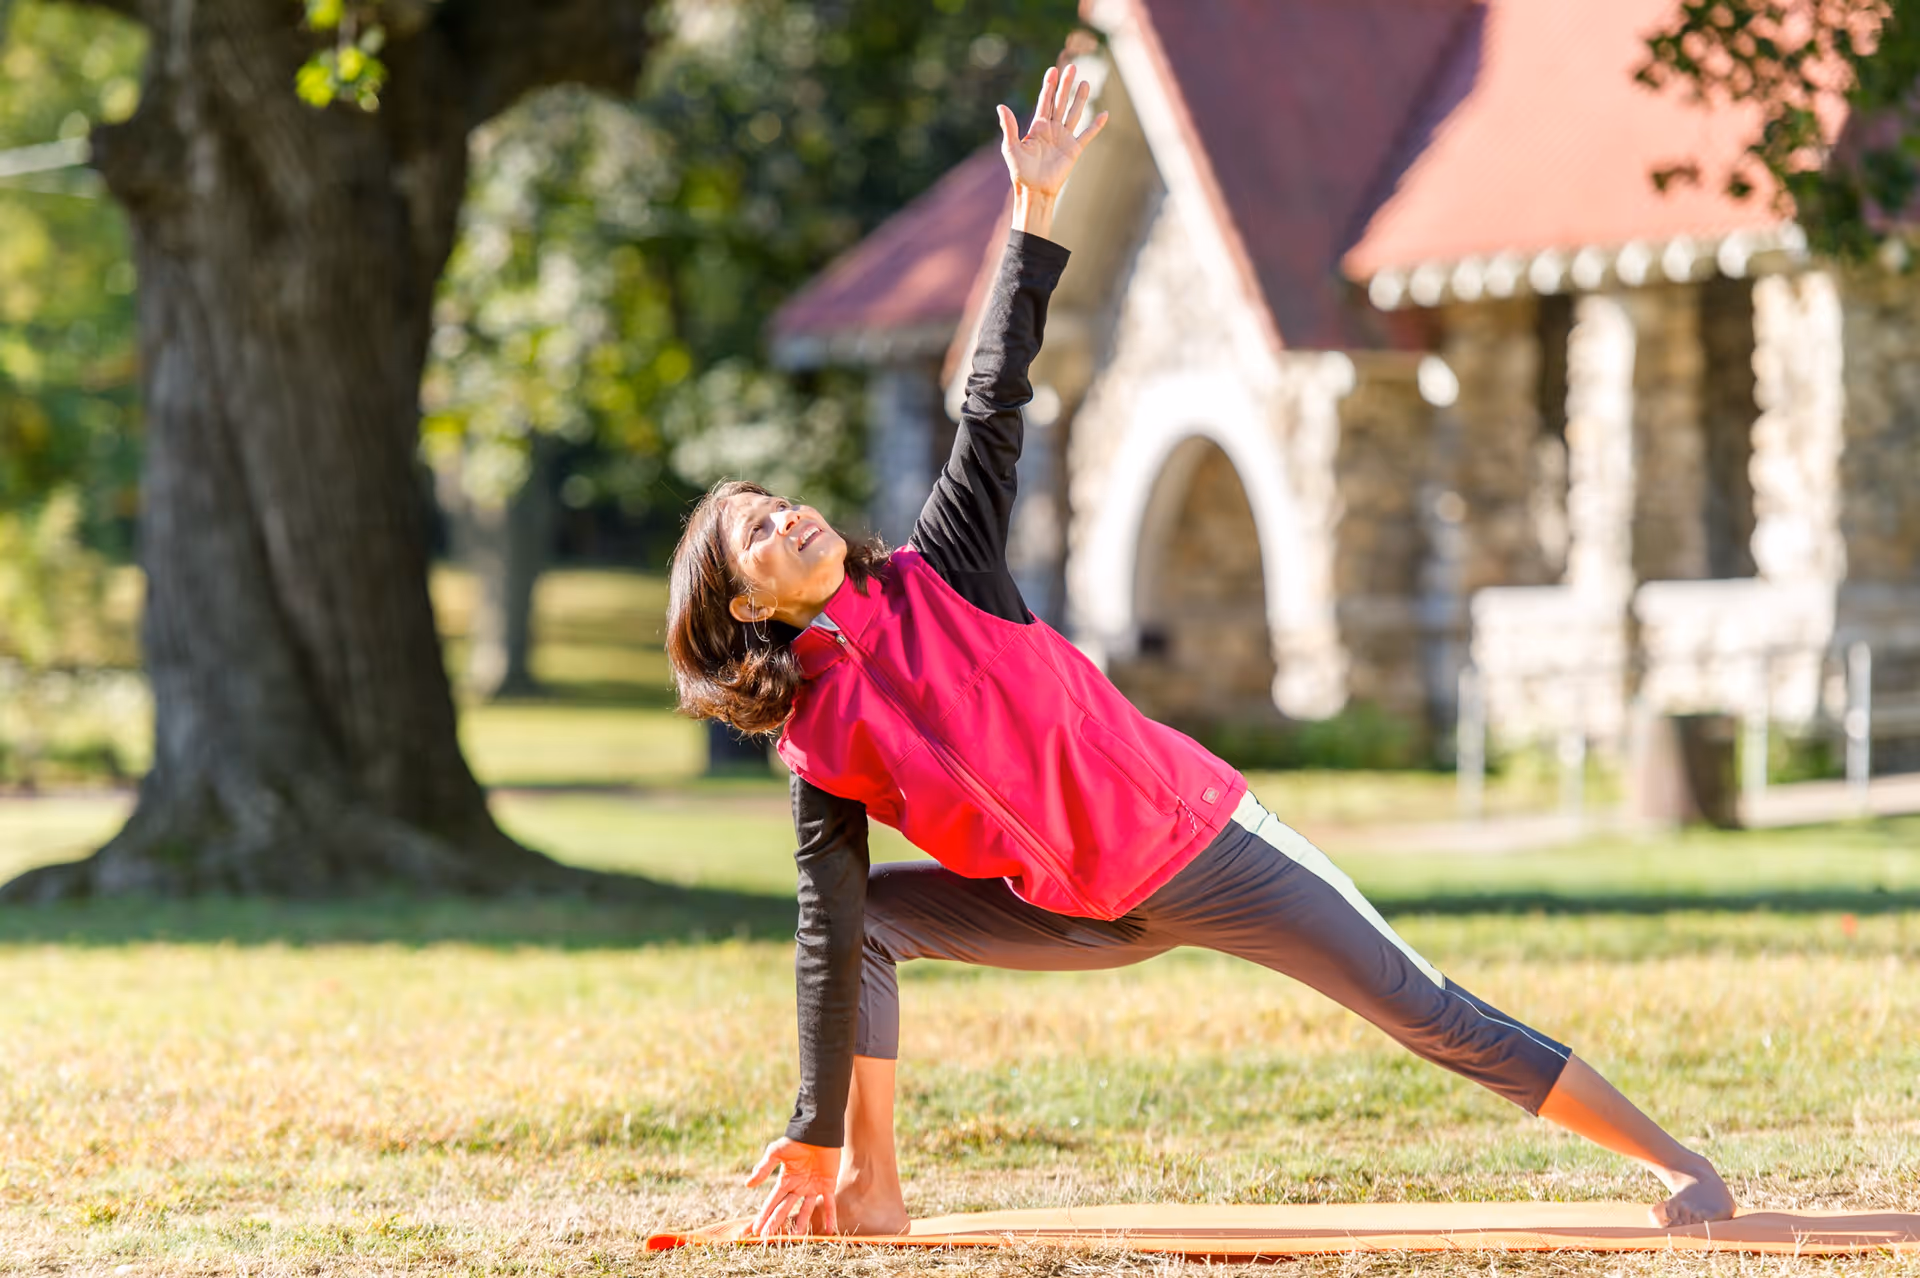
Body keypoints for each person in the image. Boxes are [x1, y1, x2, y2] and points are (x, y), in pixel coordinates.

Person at [664, 62, 1736, 1240]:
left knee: (1421, 1009)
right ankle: (868, 1188)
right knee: (865, 923)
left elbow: (992, 397)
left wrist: (1036, 208)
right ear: (749, 606)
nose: (786, 518)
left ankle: (1682, 1165)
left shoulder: (946, 568)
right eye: (753, 534)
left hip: (1201, 845)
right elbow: (828, 927)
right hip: (1074, 911)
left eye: (777, 502)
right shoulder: (819, 740)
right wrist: (814, 1132)